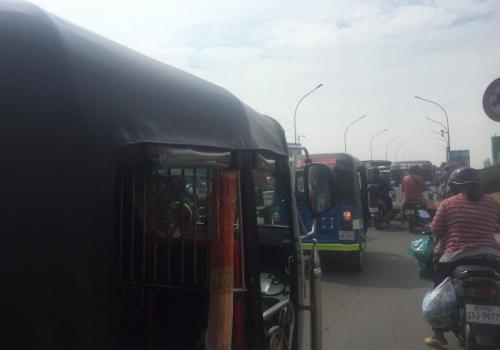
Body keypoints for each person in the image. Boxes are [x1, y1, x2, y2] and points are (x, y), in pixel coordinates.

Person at [424, 167, 500, 348]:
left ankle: (437, 334)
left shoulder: (448, 203)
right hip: (490, 257)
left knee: (440, 291)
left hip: (455, 257)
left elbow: (436, 229)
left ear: (454, 186)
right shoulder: (492, 203)